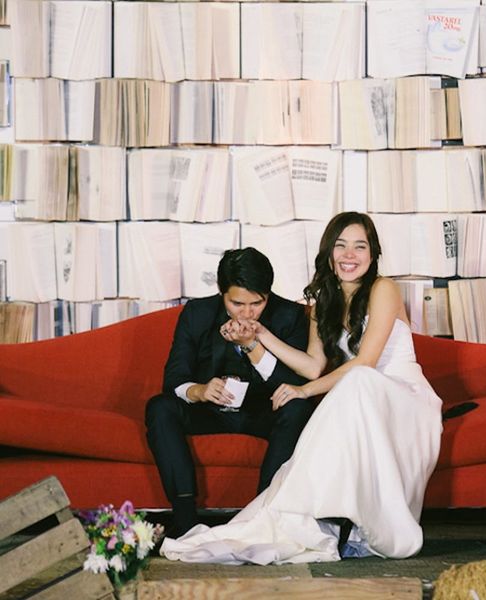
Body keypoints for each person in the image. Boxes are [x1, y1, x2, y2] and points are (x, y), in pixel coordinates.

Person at [160, 212, 443, 563]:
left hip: (400, 397)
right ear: (329, 252)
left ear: (373, 255)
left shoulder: (383, 289)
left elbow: (366, 362)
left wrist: (305, 391)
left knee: (355, 383)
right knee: (348, 392)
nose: (349, 255)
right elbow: (311, 365)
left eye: (359, 247)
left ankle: (356, 522)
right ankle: (317, 517)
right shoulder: (323, 301)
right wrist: (261, 334)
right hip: (359, 399)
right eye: (341, 246)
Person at [145, 247, 314, 538]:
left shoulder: (291, 316)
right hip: (209, 411)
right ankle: (186, 521)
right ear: (222, 292)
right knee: (160, 408)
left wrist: (253, 346)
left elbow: (293, 384)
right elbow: (174, 379)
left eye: (257, 303)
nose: (247, 313)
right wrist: (199, 391)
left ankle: (263, 515)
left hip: (262, 411)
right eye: (237, 303)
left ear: (268, 295)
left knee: (298, 408)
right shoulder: (198, 313)